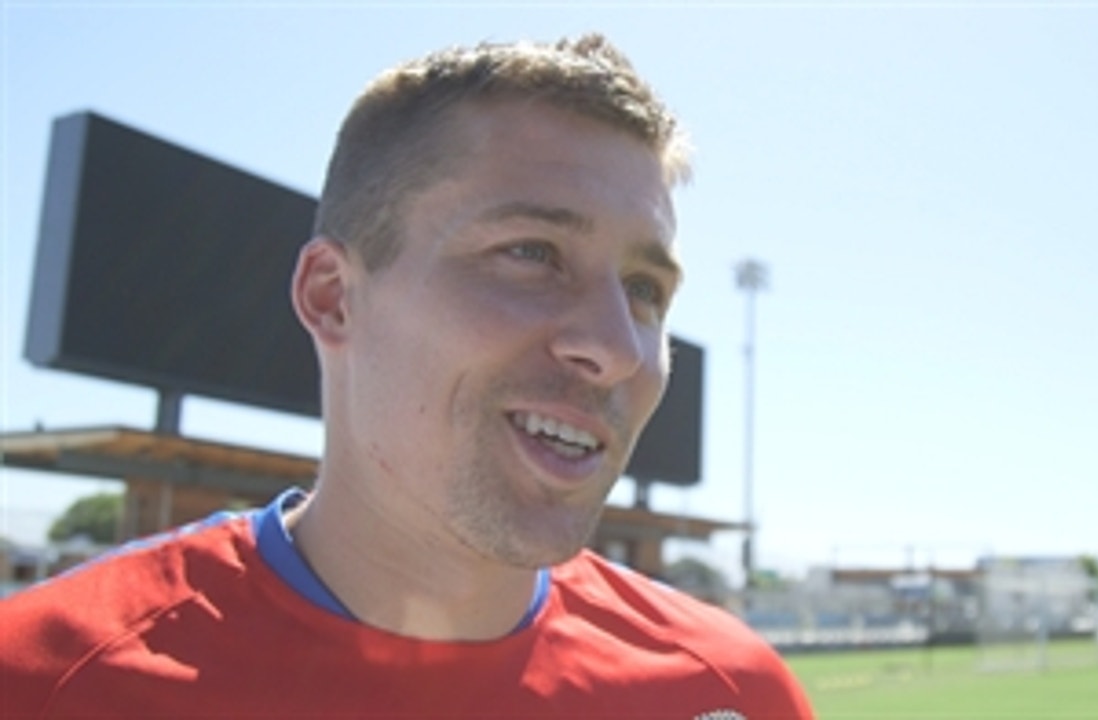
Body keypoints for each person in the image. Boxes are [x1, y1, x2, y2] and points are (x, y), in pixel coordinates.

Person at [0, 34, 814, 718]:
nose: (618, 347)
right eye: (531, 254)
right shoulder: (44, 683)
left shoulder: (726, 695)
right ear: (334, 299)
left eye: (644, 291)